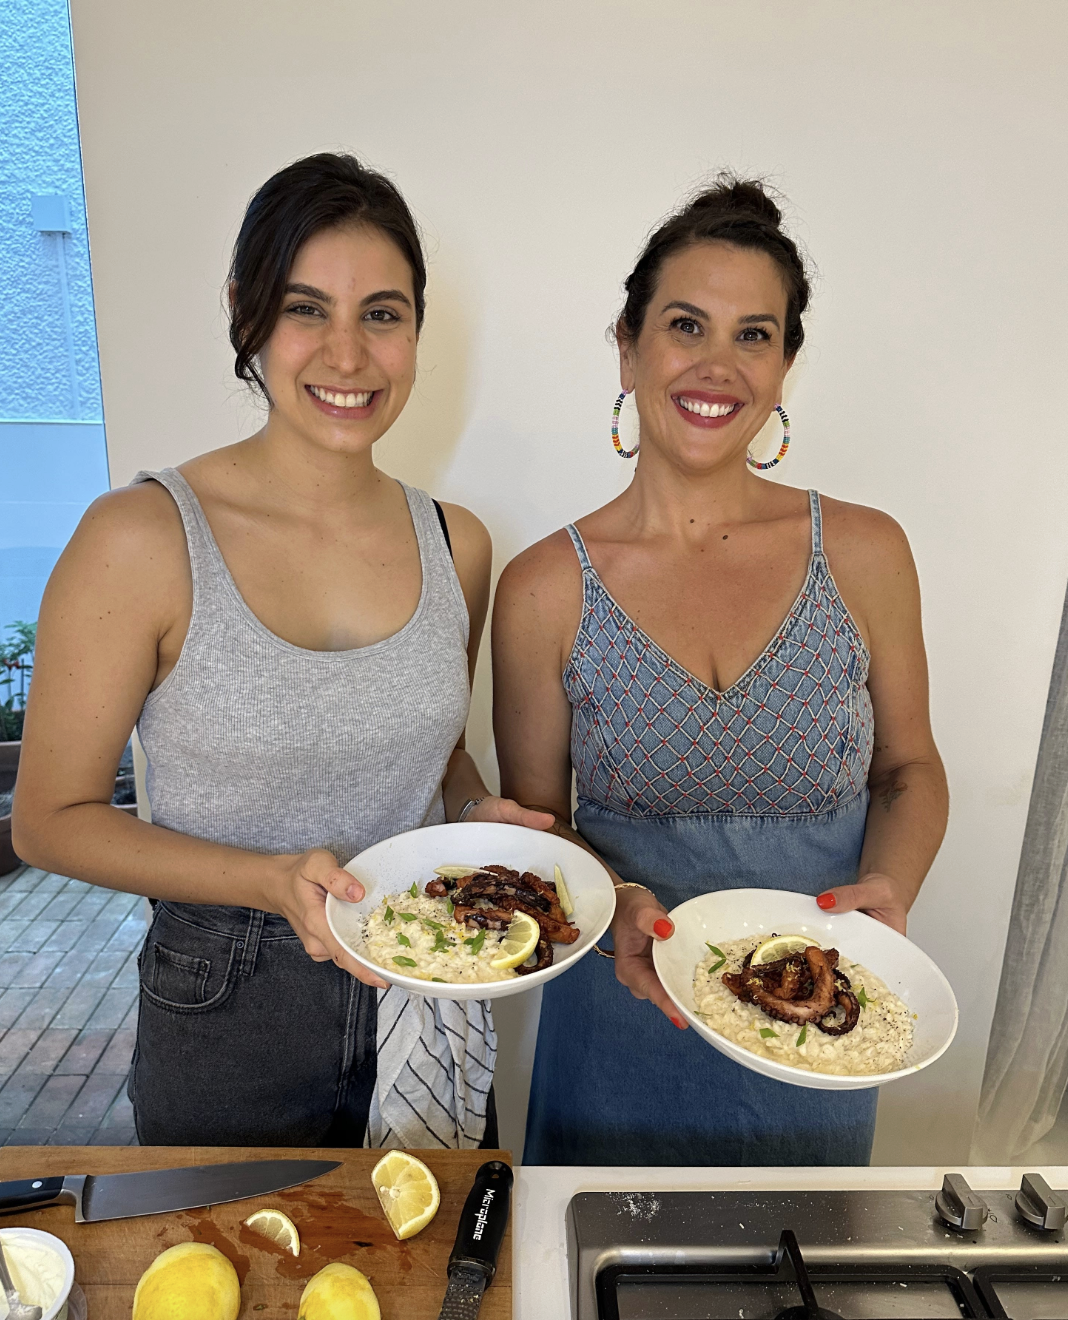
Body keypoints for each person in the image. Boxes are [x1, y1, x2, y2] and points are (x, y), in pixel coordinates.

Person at [13, 152, 551, 1147]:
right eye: (307, 309)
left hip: (424, 969)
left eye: (383, 314)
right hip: (226, 994)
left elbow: (435, 759)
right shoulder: (140, 538)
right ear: (245, 315)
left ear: (417, 333)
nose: (348, 354)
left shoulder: (457, 543)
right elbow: (49, 821)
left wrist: (479, 809)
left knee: (430, 1278)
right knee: (229, 1287)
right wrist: (263, 880)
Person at [492, 177, 949, 1166]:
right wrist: (608, 898)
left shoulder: (866, 553)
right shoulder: (542, 588)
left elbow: (911, 769)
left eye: (755, 334)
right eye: (686, 324)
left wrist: (889, 887)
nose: (717, 364)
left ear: (786, 363)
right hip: (620, 1026)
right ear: (628, 340)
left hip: (817, 1027)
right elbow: (544, 835)